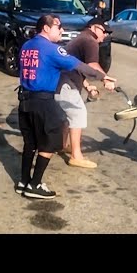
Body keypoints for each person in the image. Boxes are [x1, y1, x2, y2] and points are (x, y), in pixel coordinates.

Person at [17, 14, 116, 199]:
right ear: (46, 28)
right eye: (58, 26)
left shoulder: (26, 46)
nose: (61, 30)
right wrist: (103, 77)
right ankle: (35, 184)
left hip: (24, 100)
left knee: (30, 142)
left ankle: (23, 181)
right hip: (43, 101)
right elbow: (80, 65)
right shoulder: (52, 49)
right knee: (50, 143)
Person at [55, 16, 116, 169]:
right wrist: (106, 80)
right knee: (78, 113)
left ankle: (64, 145)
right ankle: (76, 156)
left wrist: (88, 86)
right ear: (94, 28)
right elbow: (92, 65)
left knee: (68, 115)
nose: (104, 36)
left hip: (61, 80)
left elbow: (77, 68)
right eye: (104, 32)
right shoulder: (90, 41)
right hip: (65, 83)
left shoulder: (81, 38)